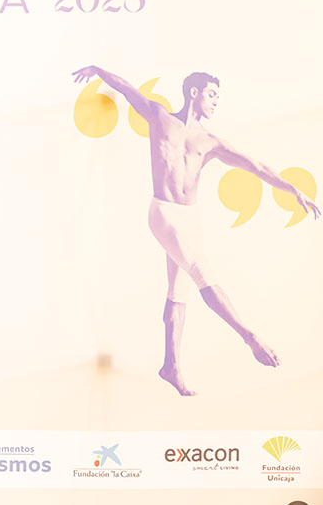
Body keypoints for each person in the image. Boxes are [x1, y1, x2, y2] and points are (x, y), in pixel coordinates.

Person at [72, 66, 320, 396]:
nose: (216, 101)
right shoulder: (159, 117)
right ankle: (250, 337)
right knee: (204, 275)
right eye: (212, 94)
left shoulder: (211, 142)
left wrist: (294, 190)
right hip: (164, 213)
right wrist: (97, 70)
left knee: (178, 291)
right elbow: (128, 88)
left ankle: (171, 367)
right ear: (194, 93)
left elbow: (256, 166)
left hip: (191, 217)